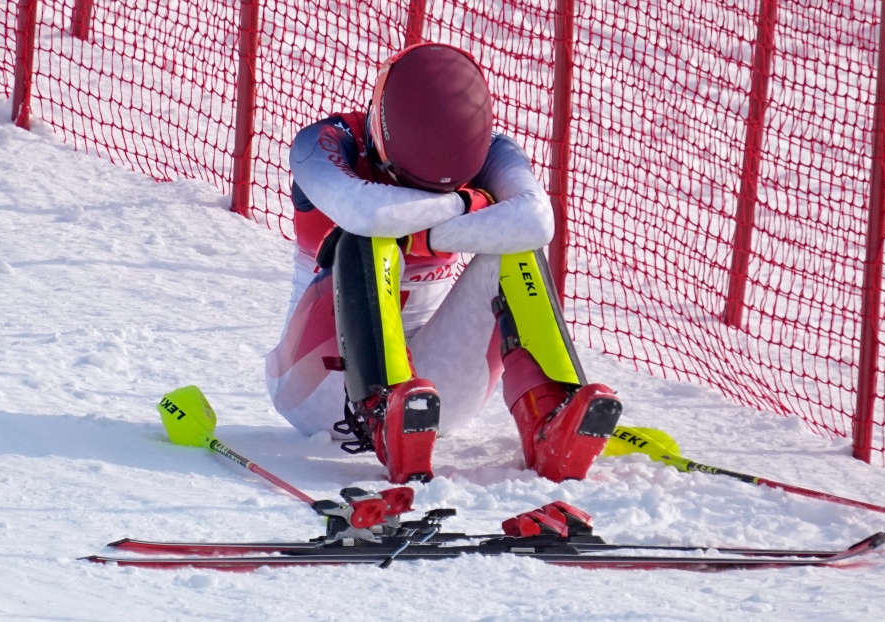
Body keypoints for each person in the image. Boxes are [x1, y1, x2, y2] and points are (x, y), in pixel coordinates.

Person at [265, 43, 622, 484]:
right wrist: (466, 204)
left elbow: (535, 220)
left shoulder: (495, 150)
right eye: (407, 182)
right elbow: (369, 214)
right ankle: (382, 408)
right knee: (367, 238)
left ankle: (549, 415)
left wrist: (424, 227)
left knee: (515, 246)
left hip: (432, 402)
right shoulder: (322, 142)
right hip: (320, 389)